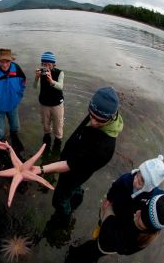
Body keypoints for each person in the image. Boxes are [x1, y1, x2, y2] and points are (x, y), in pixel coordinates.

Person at [35, 86, 124, 225]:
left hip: (75, 173)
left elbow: (71, 164)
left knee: (59, 199)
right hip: (80, 169)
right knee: (74, 188)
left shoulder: (104, 147)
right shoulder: (99, 114)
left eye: (100, 121)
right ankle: (77, 197)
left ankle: (64, 219)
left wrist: (41, 169)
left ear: (111, 118)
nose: (93, 122)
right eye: (92, 116)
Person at [64, 194, 164, 263]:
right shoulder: (148, 224)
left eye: (141, 218)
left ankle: (74, 257)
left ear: (148, 229)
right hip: (113, 235)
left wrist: (107, 215)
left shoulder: (132, 239)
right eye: (142, 209)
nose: (137, 212)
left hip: (106, 243)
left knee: (89, 251)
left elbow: (107, 231)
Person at [105, 154, 164, 221]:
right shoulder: (126, 179)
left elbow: (160, 196)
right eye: (138, 174)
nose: (135, 180)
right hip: (117, 205)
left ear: (149, 186)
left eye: (141, 181)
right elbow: (115, 187)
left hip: (130, 217)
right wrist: (109, 198)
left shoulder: (151, 195)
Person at [34, 52, 65, 152]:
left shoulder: (60, 72)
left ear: (54, 64)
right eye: (44, 64)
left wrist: (51, 81)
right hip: (44, 104)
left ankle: (58, 142)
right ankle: (47, 140)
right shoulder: (41, 72)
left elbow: (60, 86)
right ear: (41, 64)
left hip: (57, 104)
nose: (46, 66)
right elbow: (35, 87)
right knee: (45, 125)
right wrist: (36, 78)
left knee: (58, 125)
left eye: (49, 64)